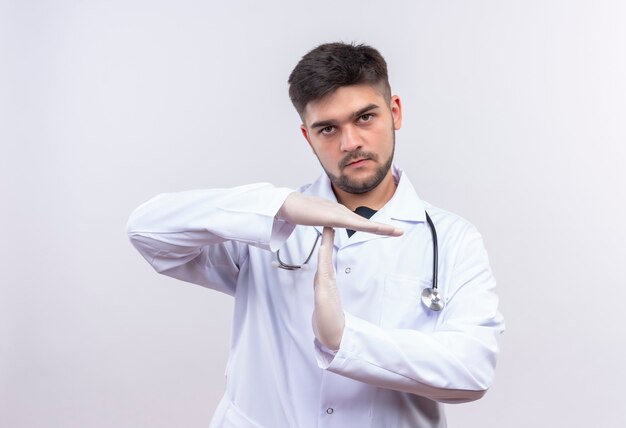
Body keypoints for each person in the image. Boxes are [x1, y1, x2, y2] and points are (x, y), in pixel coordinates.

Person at [127, 42, 504, 428]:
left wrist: (346, 339)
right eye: (328, 128)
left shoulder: (453, 239)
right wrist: (279, 206)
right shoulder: (264, 225)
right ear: (308, 137)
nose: (350, 143)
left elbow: (472, 371)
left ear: (394, 113)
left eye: (365, 118)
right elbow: (146, 230)